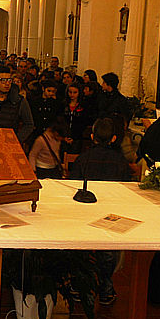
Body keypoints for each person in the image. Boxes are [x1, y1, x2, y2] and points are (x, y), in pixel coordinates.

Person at [70, 118, 132, 305]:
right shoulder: (120, 161)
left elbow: (73, 186)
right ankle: (105, 287)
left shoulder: (83, 159)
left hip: (85, 213)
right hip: (111, 215)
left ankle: (78, 287)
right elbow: (127, 189)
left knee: (81, 250)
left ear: (92, 137)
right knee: (108, 253)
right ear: (114, 138)